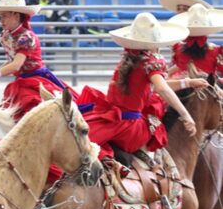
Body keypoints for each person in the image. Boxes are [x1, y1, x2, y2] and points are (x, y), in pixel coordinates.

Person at [81, 13, 208, 162]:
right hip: (131, 128)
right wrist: (186, 115)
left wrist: (188, 82)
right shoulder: (151, 61)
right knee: (157, 131)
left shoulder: (129, 59)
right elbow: (161, 88)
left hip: (112, 120)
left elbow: (157, 85)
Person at [0, 0, 77, 121]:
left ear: (16, 15)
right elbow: (11, 61)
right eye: (0, 16)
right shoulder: (7, 35)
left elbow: (16, 65)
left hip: (35, 80)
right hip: (22, 80)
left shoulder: (26, 37)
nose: (0, 20)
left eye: (4, 16)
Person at [167, 4, 223, 79]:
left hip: (181, 88)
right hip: (207, 88)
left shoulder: (177, 47)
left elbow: (176, 68)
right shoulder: (216, 51)